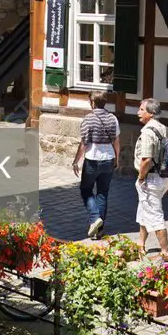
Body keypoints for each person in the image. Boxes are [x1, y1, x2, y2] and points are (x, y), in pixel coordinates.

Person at [72, 91, 120, 239]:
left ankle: (94, 217)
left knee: (85, 189)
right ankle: (98, 231)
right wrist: (117, 158)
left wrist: (76, 161)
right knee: (103, 193)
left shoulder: (88, 119)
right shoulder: (113, 118)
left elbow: (84, 143)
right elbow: (116, 142)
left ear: (92, 102)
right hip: (109, 159)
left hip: (92, 159)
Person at [134, 98, 168, 262]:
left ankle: (166, 252)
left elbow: (146, 160)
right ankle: (140, 244)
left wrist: (141, 177)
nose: (138, 112)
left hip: (151, 179)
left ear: (150, 113)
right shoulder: (167, 131)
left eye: (141, 109)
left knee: (155, 215)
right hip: (164, 178)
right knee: (144, 210)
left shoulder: (148, 132)